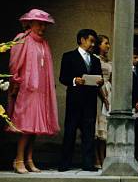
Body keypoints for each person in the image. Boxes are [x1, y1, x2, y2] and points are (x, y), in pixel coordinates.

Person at [6, 9, 59, 173]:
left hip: (41, 90)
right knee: (26, 125)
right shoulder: (22, 39)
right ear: (30, 23)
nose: (42, 27)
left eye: (44, 24)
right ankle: (18, 159)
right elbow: (15, 64)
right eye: (39, 23)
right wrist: (15, 82)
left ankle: (29, 158)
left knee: (36, 126)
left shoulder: (44, 43)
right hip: (27, 88)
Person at [58, 29, 103, 172]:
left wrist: (100, 81)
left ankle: (88, 163)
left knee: (89, 133)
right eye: (91, 40)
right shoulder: (69, 56)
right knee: (70, 132)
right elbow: (62, 78)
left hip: (90, 101)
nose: (93, 44)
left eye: (94, 42)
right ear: (82, 40)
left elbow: (99, 76)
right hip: (74, 100)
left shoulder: (96, 60)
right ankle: (65, 163)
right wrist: (74, 80)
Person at [94, 35, 112, 168]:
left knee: (105, 127)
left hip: (108, 90)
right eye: (106, 43)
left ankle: (104, 156)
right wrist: (103, 96)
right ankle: (96, 158)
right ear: (99, 45)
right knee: (97, 126)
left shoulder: (109, 61)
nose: (108, 46)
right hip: (98, 92)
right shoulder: (95, 59)